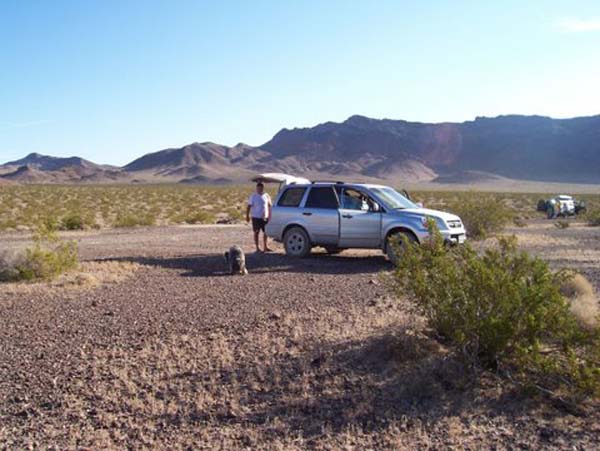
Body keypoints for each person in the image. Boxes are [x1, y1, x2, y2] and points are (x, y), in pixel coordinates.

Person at [246, 182, 273, 253]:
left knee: (266, 232)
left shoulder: (266, 195)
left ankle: (265, 246)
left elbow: (270, 205)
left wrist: (270, 215)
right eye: (258, 188)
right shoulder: (253, 196)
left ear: (263, 188)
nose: (259, 189)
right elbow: (249, 206)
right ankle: (257, 247)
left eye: (261, 188)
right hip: (256, 217)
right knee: (256, 232)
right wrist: (247, 216)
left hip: (265, 217)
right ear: (256, 188)